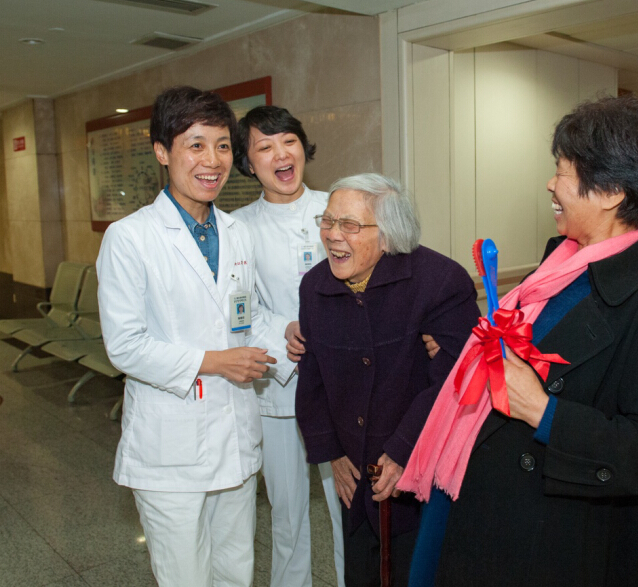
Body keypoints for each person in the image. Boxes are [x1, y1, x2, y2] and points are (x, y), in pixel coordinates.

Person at [399, 94, 638, 587]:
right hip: (482, 501)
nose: (550, 183)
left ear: (610, 192)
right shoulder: (557, 266)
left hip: (554, 536)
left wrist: (544, 411)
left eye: (562, 170)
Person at [97, 86, 289, 587]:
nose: (213, 160)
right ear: (163, 152)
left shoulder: (236, 232)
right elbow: (125, 345)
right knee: (185, 576)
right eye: (196, 145)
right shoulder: (130, 238)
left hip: (235, 436)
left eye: (223, 146)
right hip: (170, 446)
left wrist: (290, 334)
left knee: (236, 572)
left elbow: (244, 318)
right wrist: (215, 361)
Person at [295, 173, 480, 586]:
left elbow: (456, 377)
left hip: (421, 466)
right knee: (362, 571)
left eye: (349, 225)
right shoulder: (314, 287)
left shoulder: (439, 281)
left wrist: (402, 450)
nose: (333, 235)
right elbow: (313, 375)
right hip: (354, 471)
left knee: (416, 570)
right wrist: (332, 452)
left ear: (388, 235)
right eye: (328, 221)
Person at [231, 105, 344, 587]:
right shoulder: (237, 228)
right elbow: (239, 311)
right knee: (288, 516)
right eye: (265, 146)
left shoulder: (339, 208)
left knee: (348, 509)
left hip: (343, 385)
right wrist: (284, 330)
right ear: (248, 162)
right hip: (280, 391)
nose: (281, 154)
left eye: (289, 141)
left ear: (303, 147)